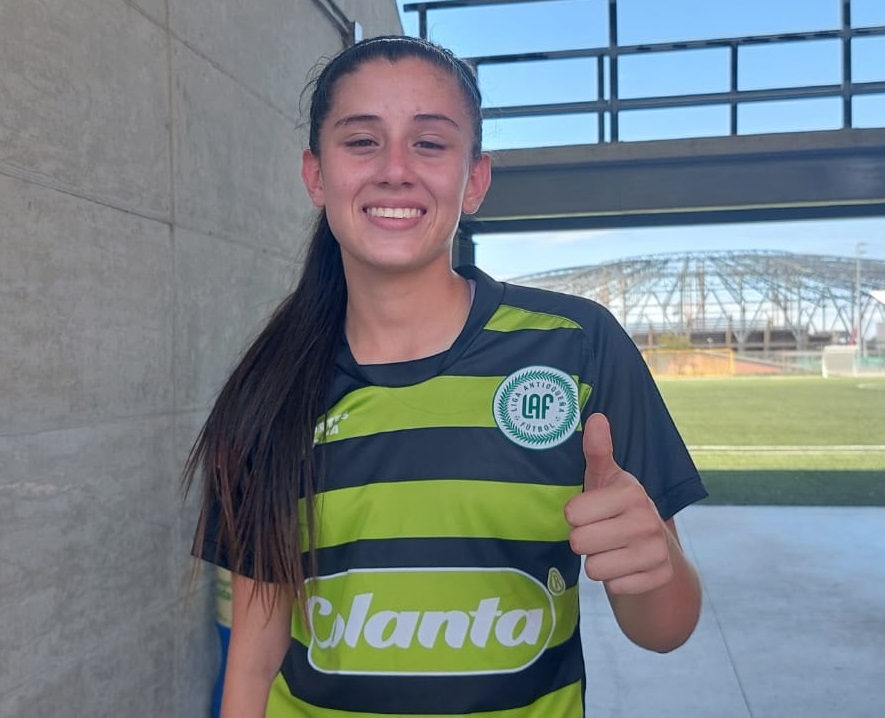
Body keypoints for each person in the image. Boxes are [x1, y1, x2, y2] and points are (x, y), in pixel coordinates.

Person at [185, 34, 707, 718]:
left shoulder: (576, 348)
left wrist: (650, 560)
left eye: (429, 143)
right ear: (316, 175)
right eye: (362, 141)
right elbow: (253, 666)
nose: (395, 170)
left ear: (475, 179)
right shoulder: (270, 390)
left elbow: (666, 629)